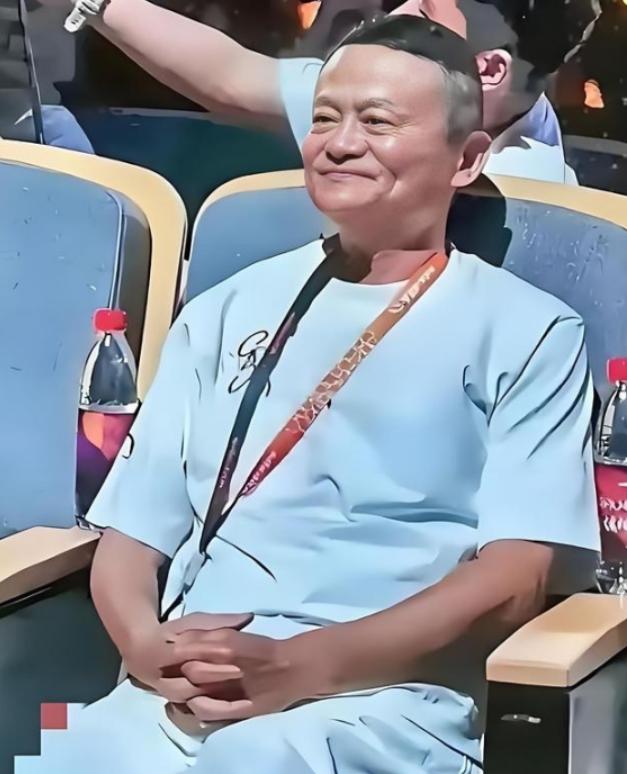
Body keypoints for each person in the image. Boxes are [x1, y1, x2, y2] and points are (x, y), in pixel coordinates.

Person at [15, 15, 599, 774]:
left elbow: (516, 577)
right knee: (67, 755)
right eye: (324, 118)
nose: (340, 143)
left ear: (466, 158)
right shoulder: (226, 309)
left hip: (382, 697)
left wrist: (303, 666)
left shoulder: (528, 331)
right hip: (191, 682)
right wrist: (143, 644)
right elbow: (131, 536)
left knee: (258, 759)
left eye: (377, 122)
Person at [47, 0, 599, 181]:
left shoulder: (526, 193)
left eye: (425, 13)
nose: (398, 10)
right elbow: (233, 78)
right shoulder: (408, 89)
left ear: (489, 69)